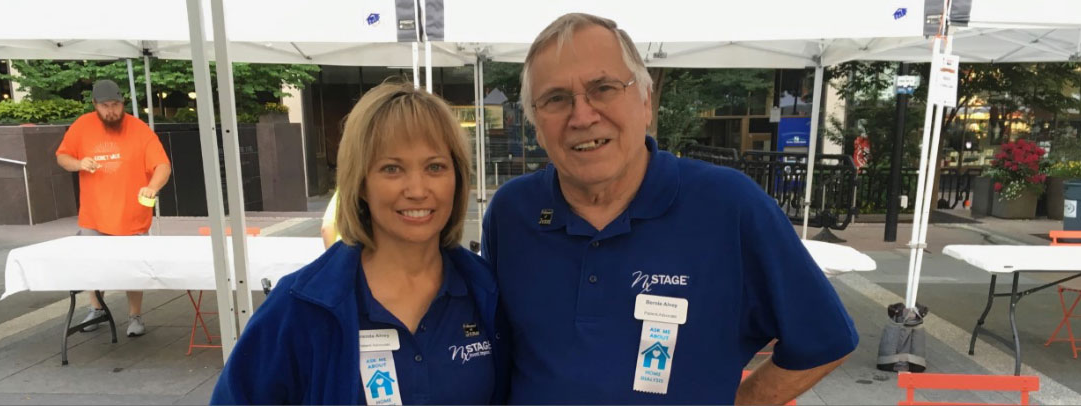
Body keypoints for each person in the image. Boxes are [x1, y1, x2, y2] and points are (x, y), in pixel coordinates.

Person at [481, 13, 858, 405]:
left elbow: (825, 339)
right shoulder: (512, 213)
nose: (582, 116)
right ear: (536, 125)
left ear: (645, 102)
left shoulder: (730, 207)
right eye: (556, 99)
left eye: (603, 88)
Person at [212, 82, 506, 404]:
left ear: (457, 178)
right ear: (361, 183)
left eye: (435, 167)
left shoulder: (486, 292)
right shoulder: (301, 307)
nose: (417, 190)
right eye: (392, 169)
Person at [55, 79, 171, 338]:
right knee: (93, 266)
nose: (112, 111)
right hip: (94, 214)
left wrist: (152, 186)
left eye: (116, 105)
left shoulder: (139, 129)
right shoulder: (82, 126)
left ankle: (135, 315)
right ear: (95, 105)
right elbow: (62, 157)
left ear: (123, 103)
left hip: (131, 215)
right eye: (105, 106)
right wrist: (79, 164)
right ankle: (96, 309)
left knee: (134, 268)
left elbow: (162, 165)